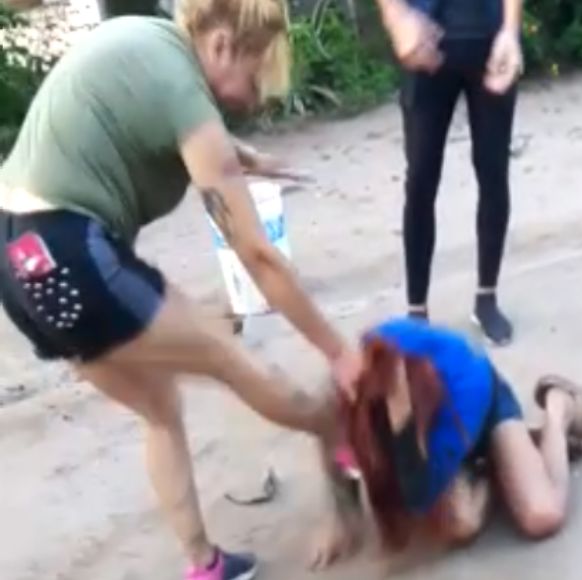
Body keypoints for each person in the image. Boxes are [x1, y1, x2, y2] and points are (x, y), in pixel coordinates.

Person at [0, 2, 364, 579]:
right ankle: (346, 450)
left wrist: (241, 157)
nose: (256, 98)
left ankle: (206, 566)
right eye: (255, 75)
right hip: (70, 251)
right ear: (221, 45)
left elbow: (144, 115)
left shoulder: (148, 42)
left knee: (159, 408)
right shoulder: (182, 87)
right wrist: (339, 353)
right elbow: (258, 255)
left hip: (17, 266)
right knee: (230, 355)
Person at [344, 317, 582, 549]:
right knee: (448, 517)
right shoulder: (360, 369)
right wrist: (339, 513)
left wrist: (402, 422)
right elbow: (339, 447)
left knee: (541, 515)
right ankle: (516, 456)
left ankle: (559, 409)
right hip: (432, 417)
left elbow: (418, 495)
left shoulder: (460, 402)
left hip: (485, 404)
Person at [374, 0, 523, 345]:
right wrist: (395, 18)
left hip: (488, 36)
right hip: (426, 37)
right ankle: (417, 311)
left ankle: (486, 299)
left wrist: (510, 30)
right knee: (421, 179)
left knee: (493, 171)